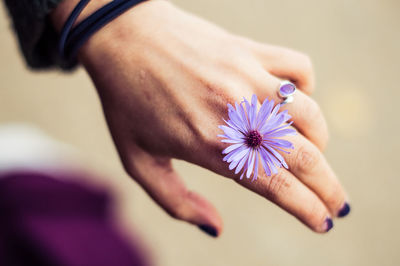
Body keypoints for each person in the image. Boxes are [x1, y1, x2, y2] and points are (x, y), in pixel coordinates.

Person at [3, 0, 350, 238]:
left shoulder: (254, 136)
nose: (255, 138)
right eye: (253, 136)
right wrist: (109, 19)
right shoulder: (246, 135)